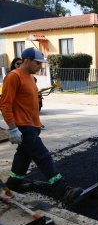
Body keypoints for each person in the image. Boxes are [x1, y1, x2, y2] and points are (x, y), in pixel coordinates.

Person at [0, 47, 82, 203]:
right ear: (27, 61)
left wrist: (37, 124)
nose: (40, 66)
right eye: (37, 63)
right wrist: (12, 129)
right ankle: (63, 190)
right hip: (23, 127)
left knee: (23, 156)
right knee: (42, 156)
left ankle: (14, 184)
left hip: (33, 125)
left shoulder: (30, 77)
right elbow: (5, 105)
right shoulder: (13, 77)